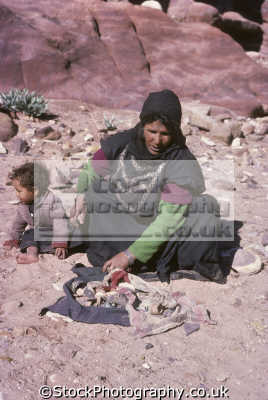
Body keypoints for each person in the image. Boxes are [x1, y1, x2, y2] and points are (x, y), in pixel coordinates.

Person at [76, 89, 226, 283]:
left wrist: (129, 255)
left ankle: (138, 259)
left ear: (175, 131)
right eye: (152, 131)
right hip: (126, 216)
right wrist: (81, 194)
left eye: (165, 134)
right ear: (142, 125)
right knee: (95, 190)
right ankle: (115, 250)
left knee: (205, 208)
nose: (157, 140)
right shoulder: (123, 142)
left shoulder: (181, 161)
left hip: (157, 230)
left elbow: (168, 220)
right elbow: (92, 168)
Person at [3, 162, 69, 264]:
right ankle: (32, 254)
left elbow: (61, 223)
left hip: (55, 235)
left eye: (19, 191)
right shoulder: (23, 205)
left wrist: (60, 243)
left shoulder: (51, 201)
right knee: (29, 234)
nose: (16, 194)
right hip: (39, 237)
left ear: (35, 191)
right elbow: (17, 224)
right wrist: (13, 239)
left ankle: (53, 248)